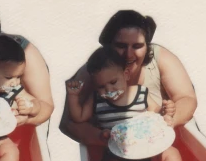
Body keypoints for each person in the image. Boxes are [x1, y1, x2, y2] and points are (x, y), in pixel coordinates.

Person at [66, 46, 206, 161]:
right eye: (101, 86)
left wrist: (167, 112)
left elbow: (155, 111)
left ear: (125, 74)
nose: (108, 90)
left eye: (113, 82)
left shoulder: (140, 93)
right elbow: (79, 117)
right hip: (119, 155)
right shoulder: (97, 100)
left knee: (171, 153)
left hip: (149, 150)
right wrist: (73, 96)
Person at [60, 10, 198, 146]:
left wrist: (168, 121)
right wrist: (103, 138)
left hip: (158, 139)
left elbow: (186, 98)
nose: (129, 54)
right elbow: (68, 122)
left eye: (137, 46)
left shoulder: (160, 58)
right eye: (121, 46)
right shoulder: (96, 71)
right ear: (108, 46)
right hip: (114, 146)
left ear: (147, 47)